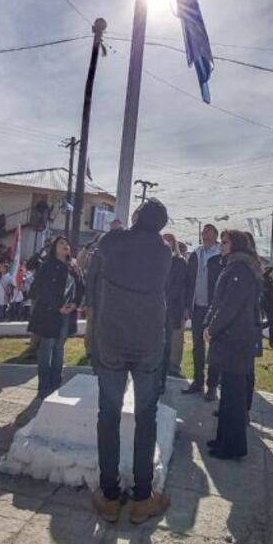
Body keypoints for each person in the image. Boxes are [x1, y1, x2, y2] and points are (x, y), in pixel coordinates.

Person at [88, 200, 172, 524]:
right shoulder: (164, 253)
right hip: (148, 345)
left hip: (111, 340)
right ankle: (141, 498)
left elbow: (103, 250)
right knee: (146, 418)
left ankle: (109, 495)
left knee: (108, 415)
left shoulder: (113, 241)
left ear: (137, 217)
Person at [205, 230, 262, 460]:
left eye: (225, 241)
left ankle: (233, 446)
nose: (221, 245)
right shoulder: (235, 266)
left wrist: (212, 328)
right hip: (231, 339)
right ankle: (222, 439)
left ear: (235, 245)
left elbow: (230, 305)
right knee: (227, 394)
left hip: (235, 340)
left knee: (234, 397)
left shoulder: (240, 269)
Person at [27, 236, 83, 399]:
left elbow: (80, 286)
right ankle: (44, 385)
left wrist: (74, 304)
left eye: (67, 243)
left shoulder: (73, 266)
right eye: (61, 243)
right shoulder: (47, 265)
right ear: (54, 248)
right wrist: (58, 306)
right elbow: (42, 289)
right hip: (49, 312)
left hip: (67, 313)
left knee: (59, 347)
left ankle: (56, 382)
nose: (66, 245)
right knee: (47, 346)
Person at [182, 224, 224, 401]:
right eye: (203, 232)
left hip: (213, 307)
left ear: (216, 235)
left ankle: (212, 386)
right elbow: (188, 281)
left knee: (214, 348)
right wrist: (186, 305)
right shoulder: (196, 254)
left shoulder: (221, 254)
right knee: (197, 346)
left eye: (209, 231)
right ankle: (198, 381)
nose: (205, 234)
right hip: (197, 306)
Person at [162, 233, 189, 383]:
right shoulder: (157, 260)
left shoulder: (180, 262)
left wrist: (185, 306)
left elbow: (183, 285)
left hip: (176, 305)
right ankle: (162, 365)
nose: (167, 243)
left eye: (170, 240)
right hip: (160, 305)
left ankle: (174, 366)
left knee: (176, 338)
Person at [261, 267, 273, 351]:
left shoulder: (270, 280)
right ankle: (271, 341)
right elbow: (267, 292)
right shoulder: (266, 280)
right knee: (272, 322)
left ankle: (272, 341)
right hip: (268, 304)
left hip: (272, 303)